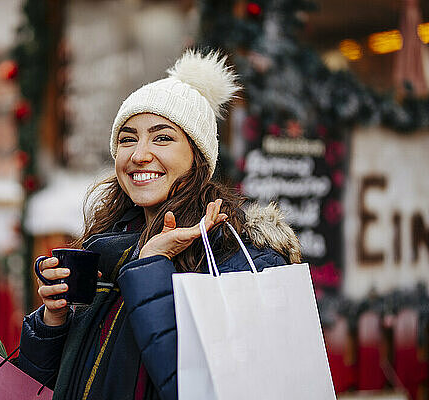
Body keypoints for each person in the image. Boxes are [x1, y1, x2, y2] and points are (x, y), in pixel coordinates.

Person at [16, 49, 302, 400]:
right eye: (127, 138)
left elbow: (195, 389)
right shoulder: (107, 253)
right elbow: (46, 388)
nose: (139, 154)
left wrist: (151, 267)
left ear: (198, 156)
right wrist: (53, 322)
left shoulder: (243, 260)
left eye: (162, 137)